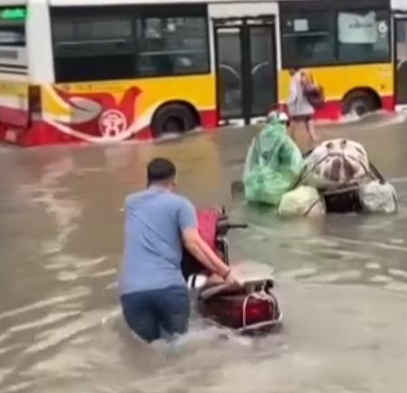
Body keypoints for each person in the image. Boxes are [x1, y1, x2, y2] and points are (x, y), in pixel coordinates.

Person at [120, 158, 241, 343]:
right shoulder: (181, 205)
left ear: (148, 181)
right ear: (174, 182)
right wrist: (226, 273)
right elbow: (194, 244)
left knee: (148, 349)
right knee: (178, 348)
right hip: (168, 289)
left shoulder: (131, 203)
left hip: (131, 293)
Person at [243, 111, 304, 206]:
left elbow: (250, 164)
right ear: (283, 124)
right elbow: (297, 167)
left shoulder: (257, 139)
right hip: (275, 195)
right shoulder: (285, 141)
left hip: (252, 192)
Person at [286, 67, 318, 152]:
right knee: (310, 126)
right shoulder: (308, 73)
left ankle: (291, 145)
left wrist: (289, 103)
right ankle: (314, 143)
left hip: (299, 109)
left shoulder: (295, 78)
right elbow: (315, 87)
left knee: (293, 127)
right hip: (309, 108)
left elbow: (294, 94)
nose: (289, 72)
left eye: (289, 70)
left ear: (293, 69)